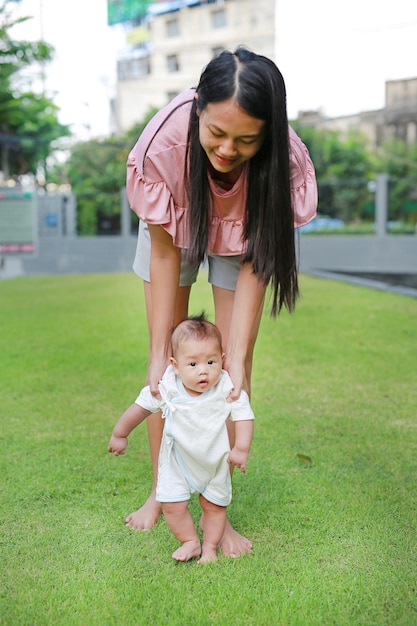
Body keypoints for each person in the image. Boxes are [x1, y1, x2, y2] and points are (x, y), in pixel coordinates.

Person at [124, 46, 318, 556]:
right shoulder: (162, 147)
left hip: (245, 239)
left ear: (268, 133)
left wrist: (236, 355)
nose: (229, 149)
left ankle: (217, 511)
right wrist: (155, 353)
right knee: (171, 371)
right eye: (217, 134)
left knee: (232, 375)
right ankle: (161, 494)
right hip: (175, 229)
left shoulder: (285, 159)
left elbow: (258, 258)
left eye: (246, 140)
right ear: (197, 111)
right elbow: (166, 254)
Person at [108, 314, 255, 563]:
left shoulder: (225, 387)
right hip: (178, 463)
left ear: (222, 360)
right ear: (175, 365)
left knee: (215, 507)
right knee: (172, 506)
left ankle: (209, 547)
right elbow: (140, 407)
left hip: (214, 463)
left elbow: (244, 415)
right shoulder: (169, 386)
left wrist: (241, 448)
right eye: (193, 364)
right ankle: (190, 541)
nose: (203, 372)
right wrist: (120, 433)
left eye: (210, 362)